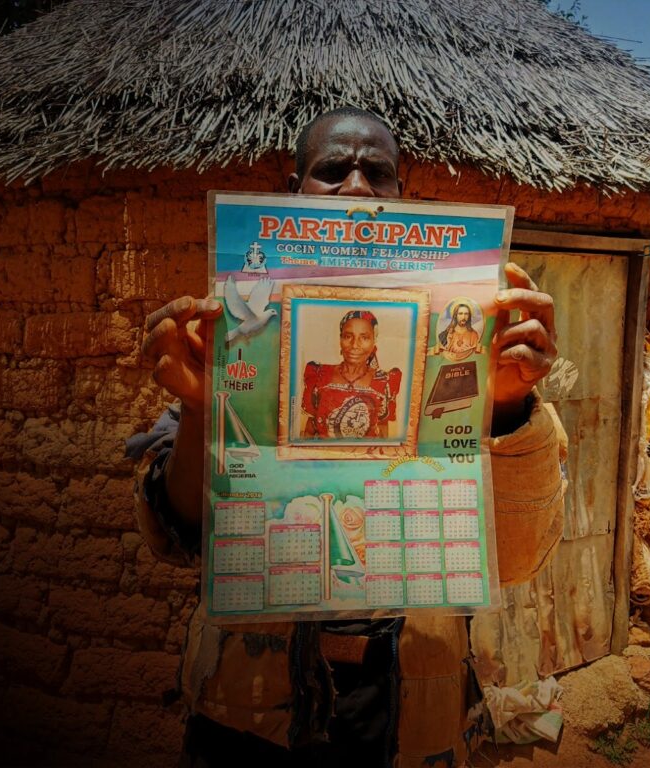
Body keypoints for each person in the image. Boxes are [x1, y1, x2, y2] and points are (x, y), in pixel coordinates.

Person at [131, 107, 564, 768]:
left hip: (413, 702)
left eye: (377, 174)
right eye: (333, 170)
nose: (357, 188)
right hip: (250, 712)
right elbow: (177, 532)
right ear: (294, 186)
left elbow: (522, 556)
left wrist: (507, 405)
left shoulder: (466, 354)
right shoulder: (240, 331)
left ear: (401, 197)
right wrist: (199, 409)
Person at [302, 309, 402, 439]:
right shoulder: (319, 375)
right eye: (348, 336)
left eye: (364, 337)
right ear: (340, 339)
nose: (354, 345)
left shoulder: (384, 382)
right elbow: (309, 431)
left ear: (374, 341)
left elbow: (382, 433)